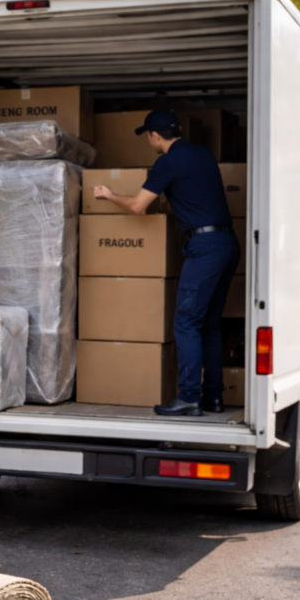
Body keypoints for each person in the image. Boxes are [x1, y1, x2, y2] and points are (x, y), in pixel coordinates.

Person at [93, 108, 240, 417]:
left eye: (148, 136)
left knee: (186, 322)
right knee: (209, 324)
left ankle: (188, 397)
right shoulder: (203, 155)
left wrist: (109, 194)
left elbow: (137, 207)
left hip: (204, 248)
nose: (149, 141)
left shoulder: (168, 162)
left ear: (155, 136)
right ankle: (213, 397)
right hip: (228, 244)